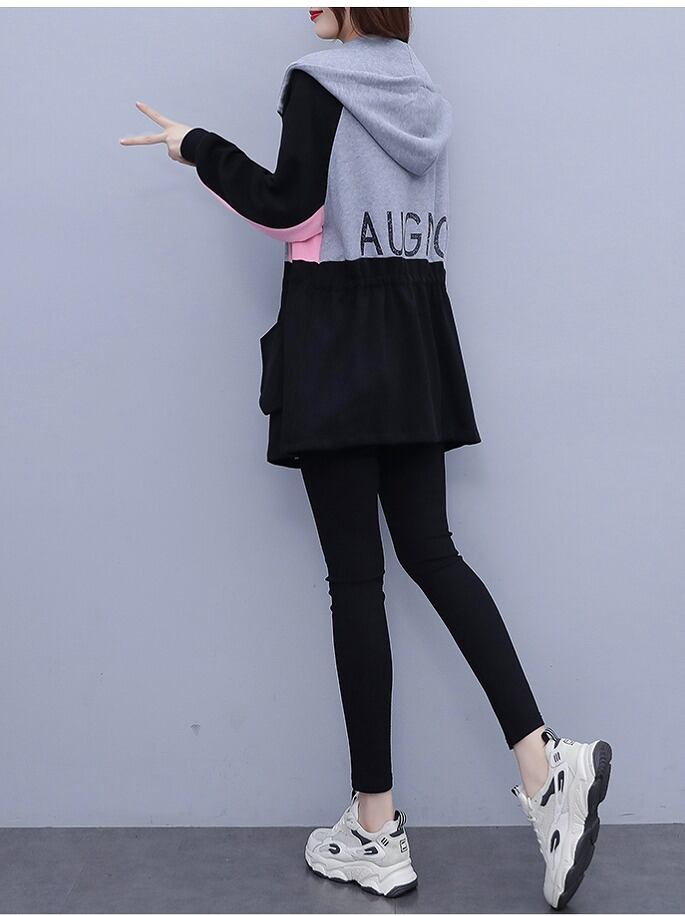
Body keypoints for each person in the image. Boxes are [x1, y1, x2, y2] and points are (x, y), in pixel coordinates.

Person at [120, 7, 612, 909]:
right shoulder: (424, 95)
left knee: (357, 582)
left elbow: (292, 208)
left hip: (339, 342)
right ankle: (543, 764)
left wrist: (199, 148)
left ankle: (376, 832)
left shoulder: (318, 81)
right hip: (415, 335)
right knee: (434, 553)